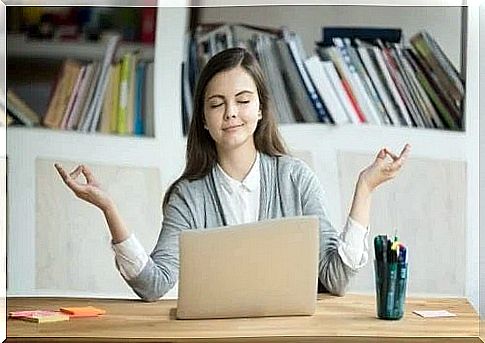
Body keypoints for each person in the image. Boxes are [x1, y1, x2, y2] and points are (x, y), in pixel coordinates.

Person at [55, 47, 410, 302]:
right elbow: (154, 285)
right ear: (205, 120)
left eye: (242, 100)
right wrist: (109, 209)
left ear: (260, 109)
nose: (230, 113)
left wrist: (365, 188)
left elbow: (336, 280)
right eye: (216, 104)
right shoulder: (188, 196)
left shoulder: (295, 179)